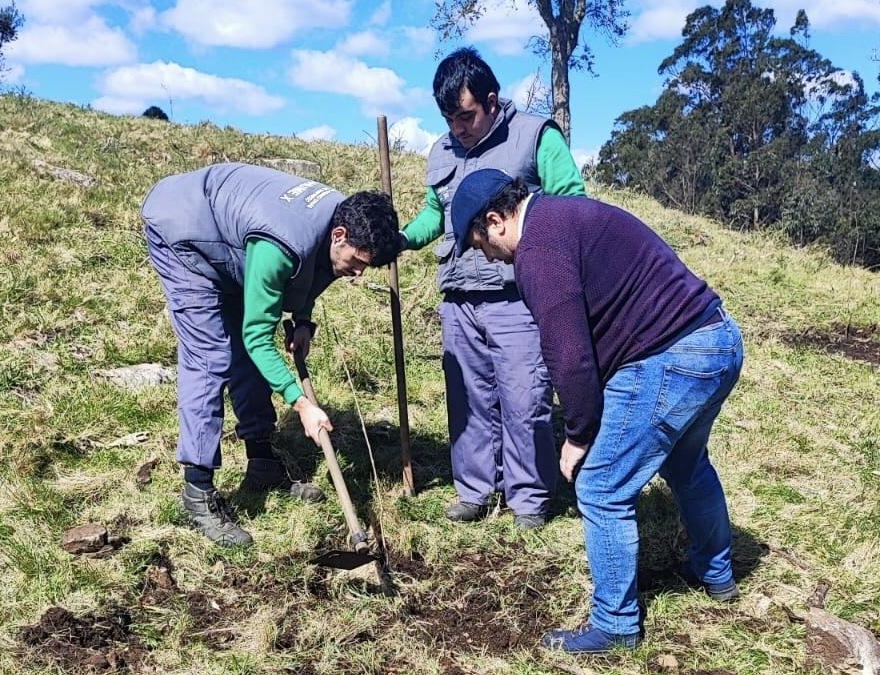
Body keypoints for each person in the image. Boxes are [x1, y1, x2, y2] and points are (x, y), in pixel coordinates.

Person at [449, 169, 745, 654]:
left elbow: (570, 354)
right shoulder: (561, 217)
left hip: (672, 355)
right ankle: (715, 574)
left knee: (601, 485)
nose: (485, 255)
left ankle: (616, 626)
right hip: (717, 340)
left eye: (479, 243)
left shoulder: (538, 253)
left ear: (496, 221)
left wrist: (579, 434)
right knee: (687, 464)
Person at [141, 162, 404, 547]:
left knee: (248, 362)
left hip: (233, 236)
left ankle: (262, 461)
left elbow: (314, 271)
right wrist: (300, 404)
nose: (358, 275)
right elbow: (257, 336)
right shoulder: (281, 244)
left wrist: (302, 321)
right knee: (211, 357)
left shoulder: (339, 221)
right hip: (184, 230)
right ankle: (197, 494)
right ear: (340, 234)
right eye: (357, 263)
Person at [400, 47, 587, 529]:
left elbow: (571, 204)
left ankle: (529, 499)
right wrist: (402, 239)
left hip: (519, 295)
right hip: (458, 299)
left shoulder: (535, 137)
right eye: (448, 118)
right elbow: (432, 215)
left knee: (525, 400)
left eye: (465, 115)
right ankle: (475, 490)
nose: (457, 128)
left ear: (490, 98)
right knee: (469, 400)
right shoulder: (441, 151)